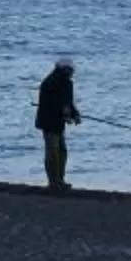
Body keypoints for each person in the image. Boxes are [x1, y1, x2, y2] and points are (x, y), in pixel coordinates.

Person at [35, 58, 82, 193]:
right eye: (71, 69)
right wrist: (67, 114)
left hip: (57, 123)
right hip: (49, 122)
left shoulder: (64, 82)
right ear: (64, 70)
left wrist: (74, 114)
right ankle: (53, 183)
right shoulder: (53, 82)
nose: (73, 72)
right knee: (53, 153)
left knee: (61, 152)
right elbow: (59, 103)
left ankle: (59, 181)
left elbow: (67, 103)